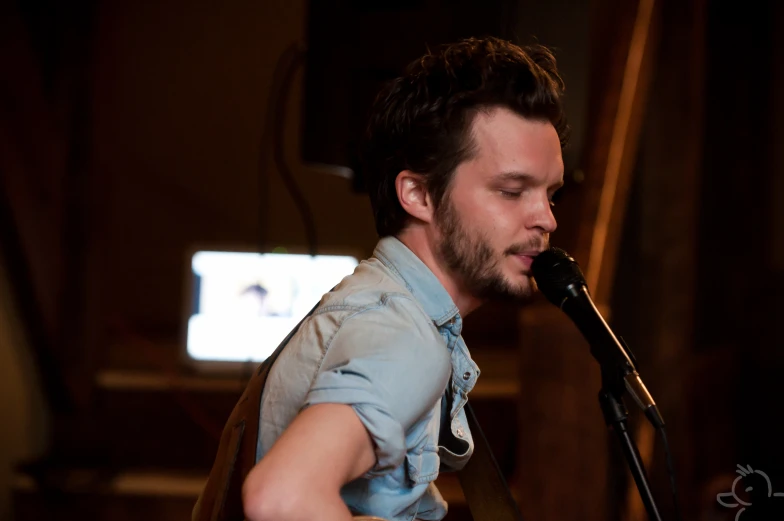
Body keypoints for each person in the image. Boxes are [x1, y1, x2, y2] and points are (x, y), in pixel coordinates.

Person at [197, 36, 568, 521]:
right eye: (512, 190)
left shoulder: (376, 308)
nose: (547, 219)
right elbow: (283, 498)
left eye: (551, 194)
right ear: (418, 194)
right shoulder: (401, 335)